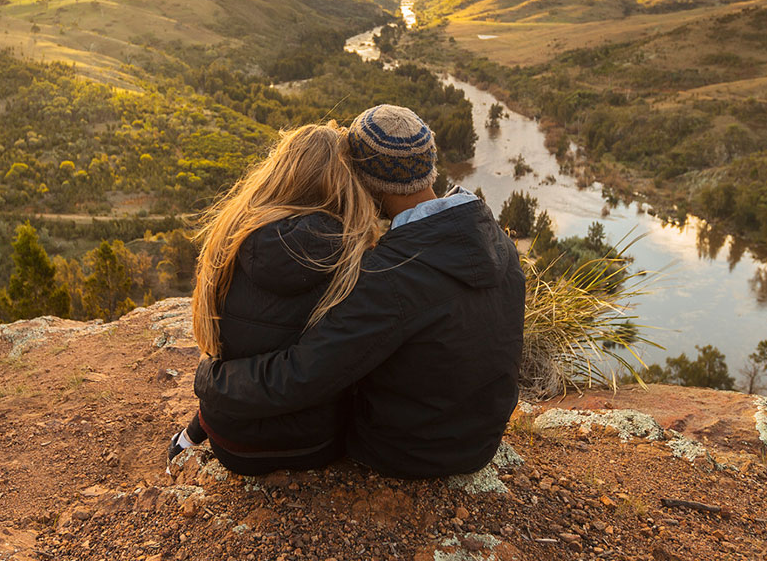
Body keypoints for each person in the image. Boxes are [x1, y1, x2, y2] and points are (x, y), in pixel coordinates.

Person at [193, 105, 525, 479]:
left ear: (362, 179)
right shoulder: (498, 244)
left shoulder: (388, 275)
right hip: (479, 443)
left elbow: (303, 374)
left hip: (404, 452)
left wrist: (212, 380)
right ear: (429, 163)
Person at [168, 122, 383, 474]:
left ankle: (191, 435)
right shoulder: (357, 257)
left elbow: (232, 354)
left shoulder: (230, 238)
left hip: (231, 443)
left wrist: (197, 427)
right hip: (317, 443)